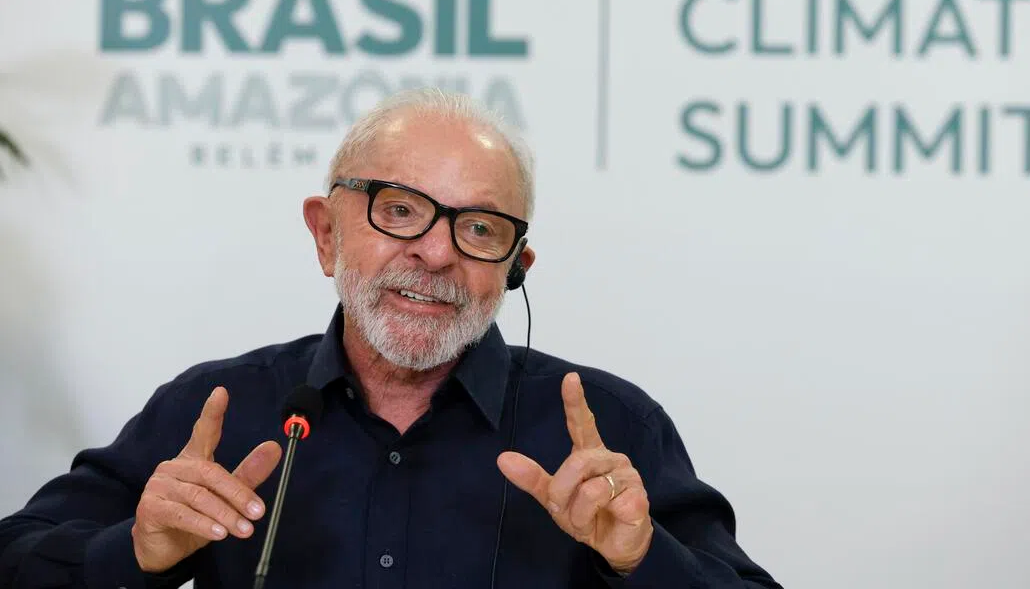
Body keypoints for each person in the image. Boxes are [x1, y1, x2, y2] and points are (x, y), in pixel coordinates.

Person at [0, 90, 783, 588]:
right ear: (326, 234)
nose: (437, 253)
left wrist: (641, 560)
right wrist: (132, 552)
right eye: (401, 211)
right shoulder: (221, 410)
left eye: (479, 228)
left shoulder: (610, 429)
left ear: (515, 268)